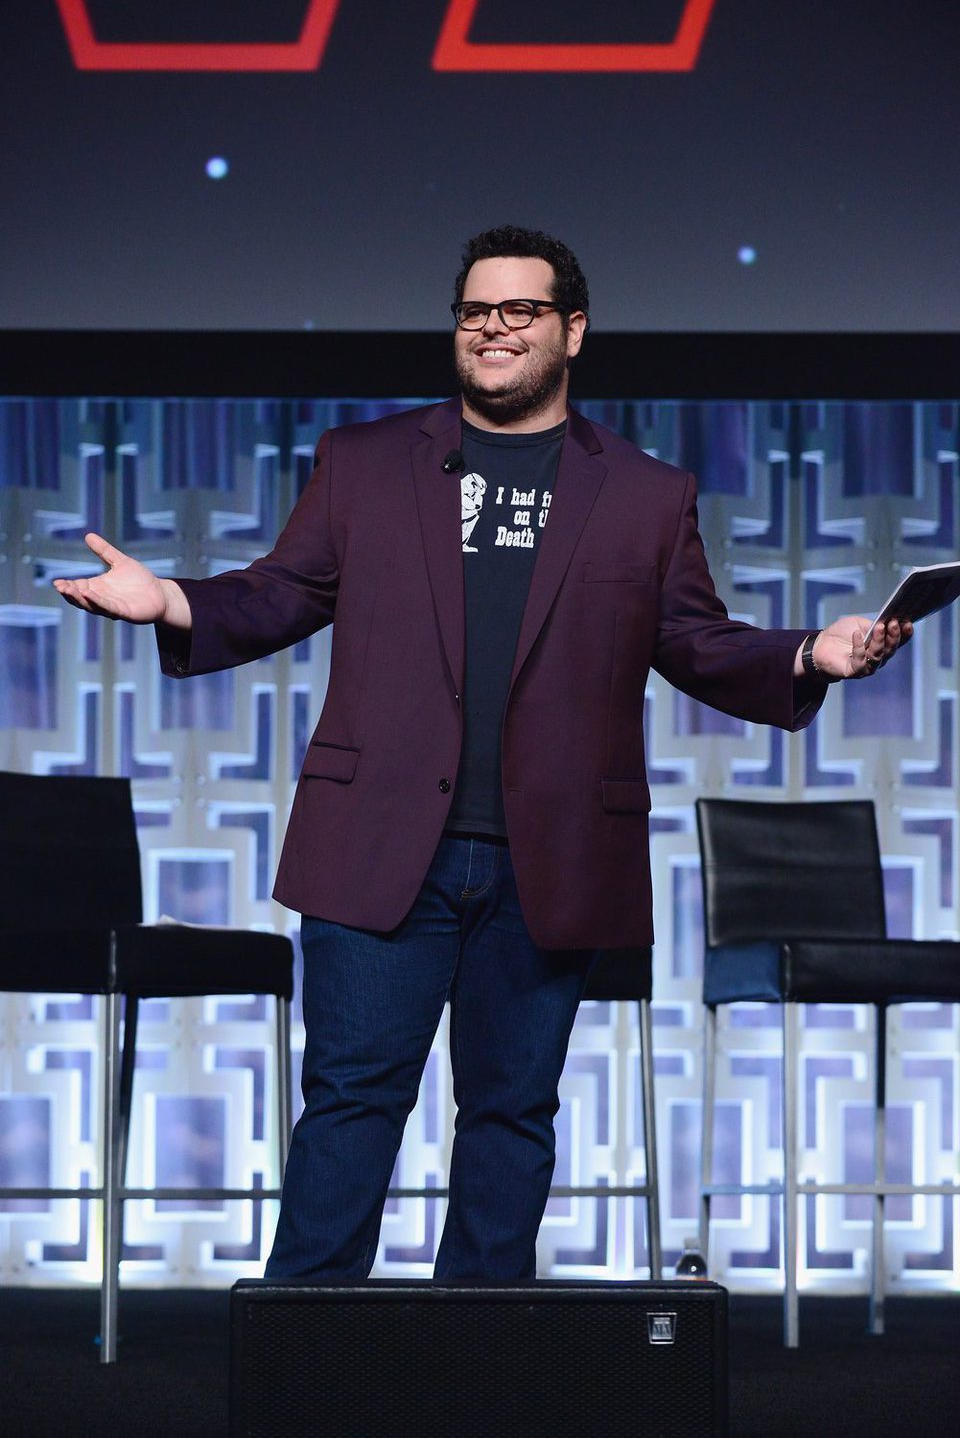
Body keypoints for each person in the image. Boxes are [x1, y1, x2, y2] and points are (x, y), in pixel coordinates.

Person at [54, 225, 910, 1282]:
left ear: (573, 330)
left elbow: (691, 639)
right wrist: (175, 598)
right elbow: (285, 590)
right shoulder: (365, 463)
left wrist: (809, 652)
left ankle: (480, 1366)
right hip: (379, 844)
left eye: (520, 310)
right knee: (352, 1101)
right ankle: (303, 1367)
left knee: (511, 1114)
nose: (493, 329)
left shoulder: (646, 493)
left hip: (548, 856)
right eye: (475, 310)